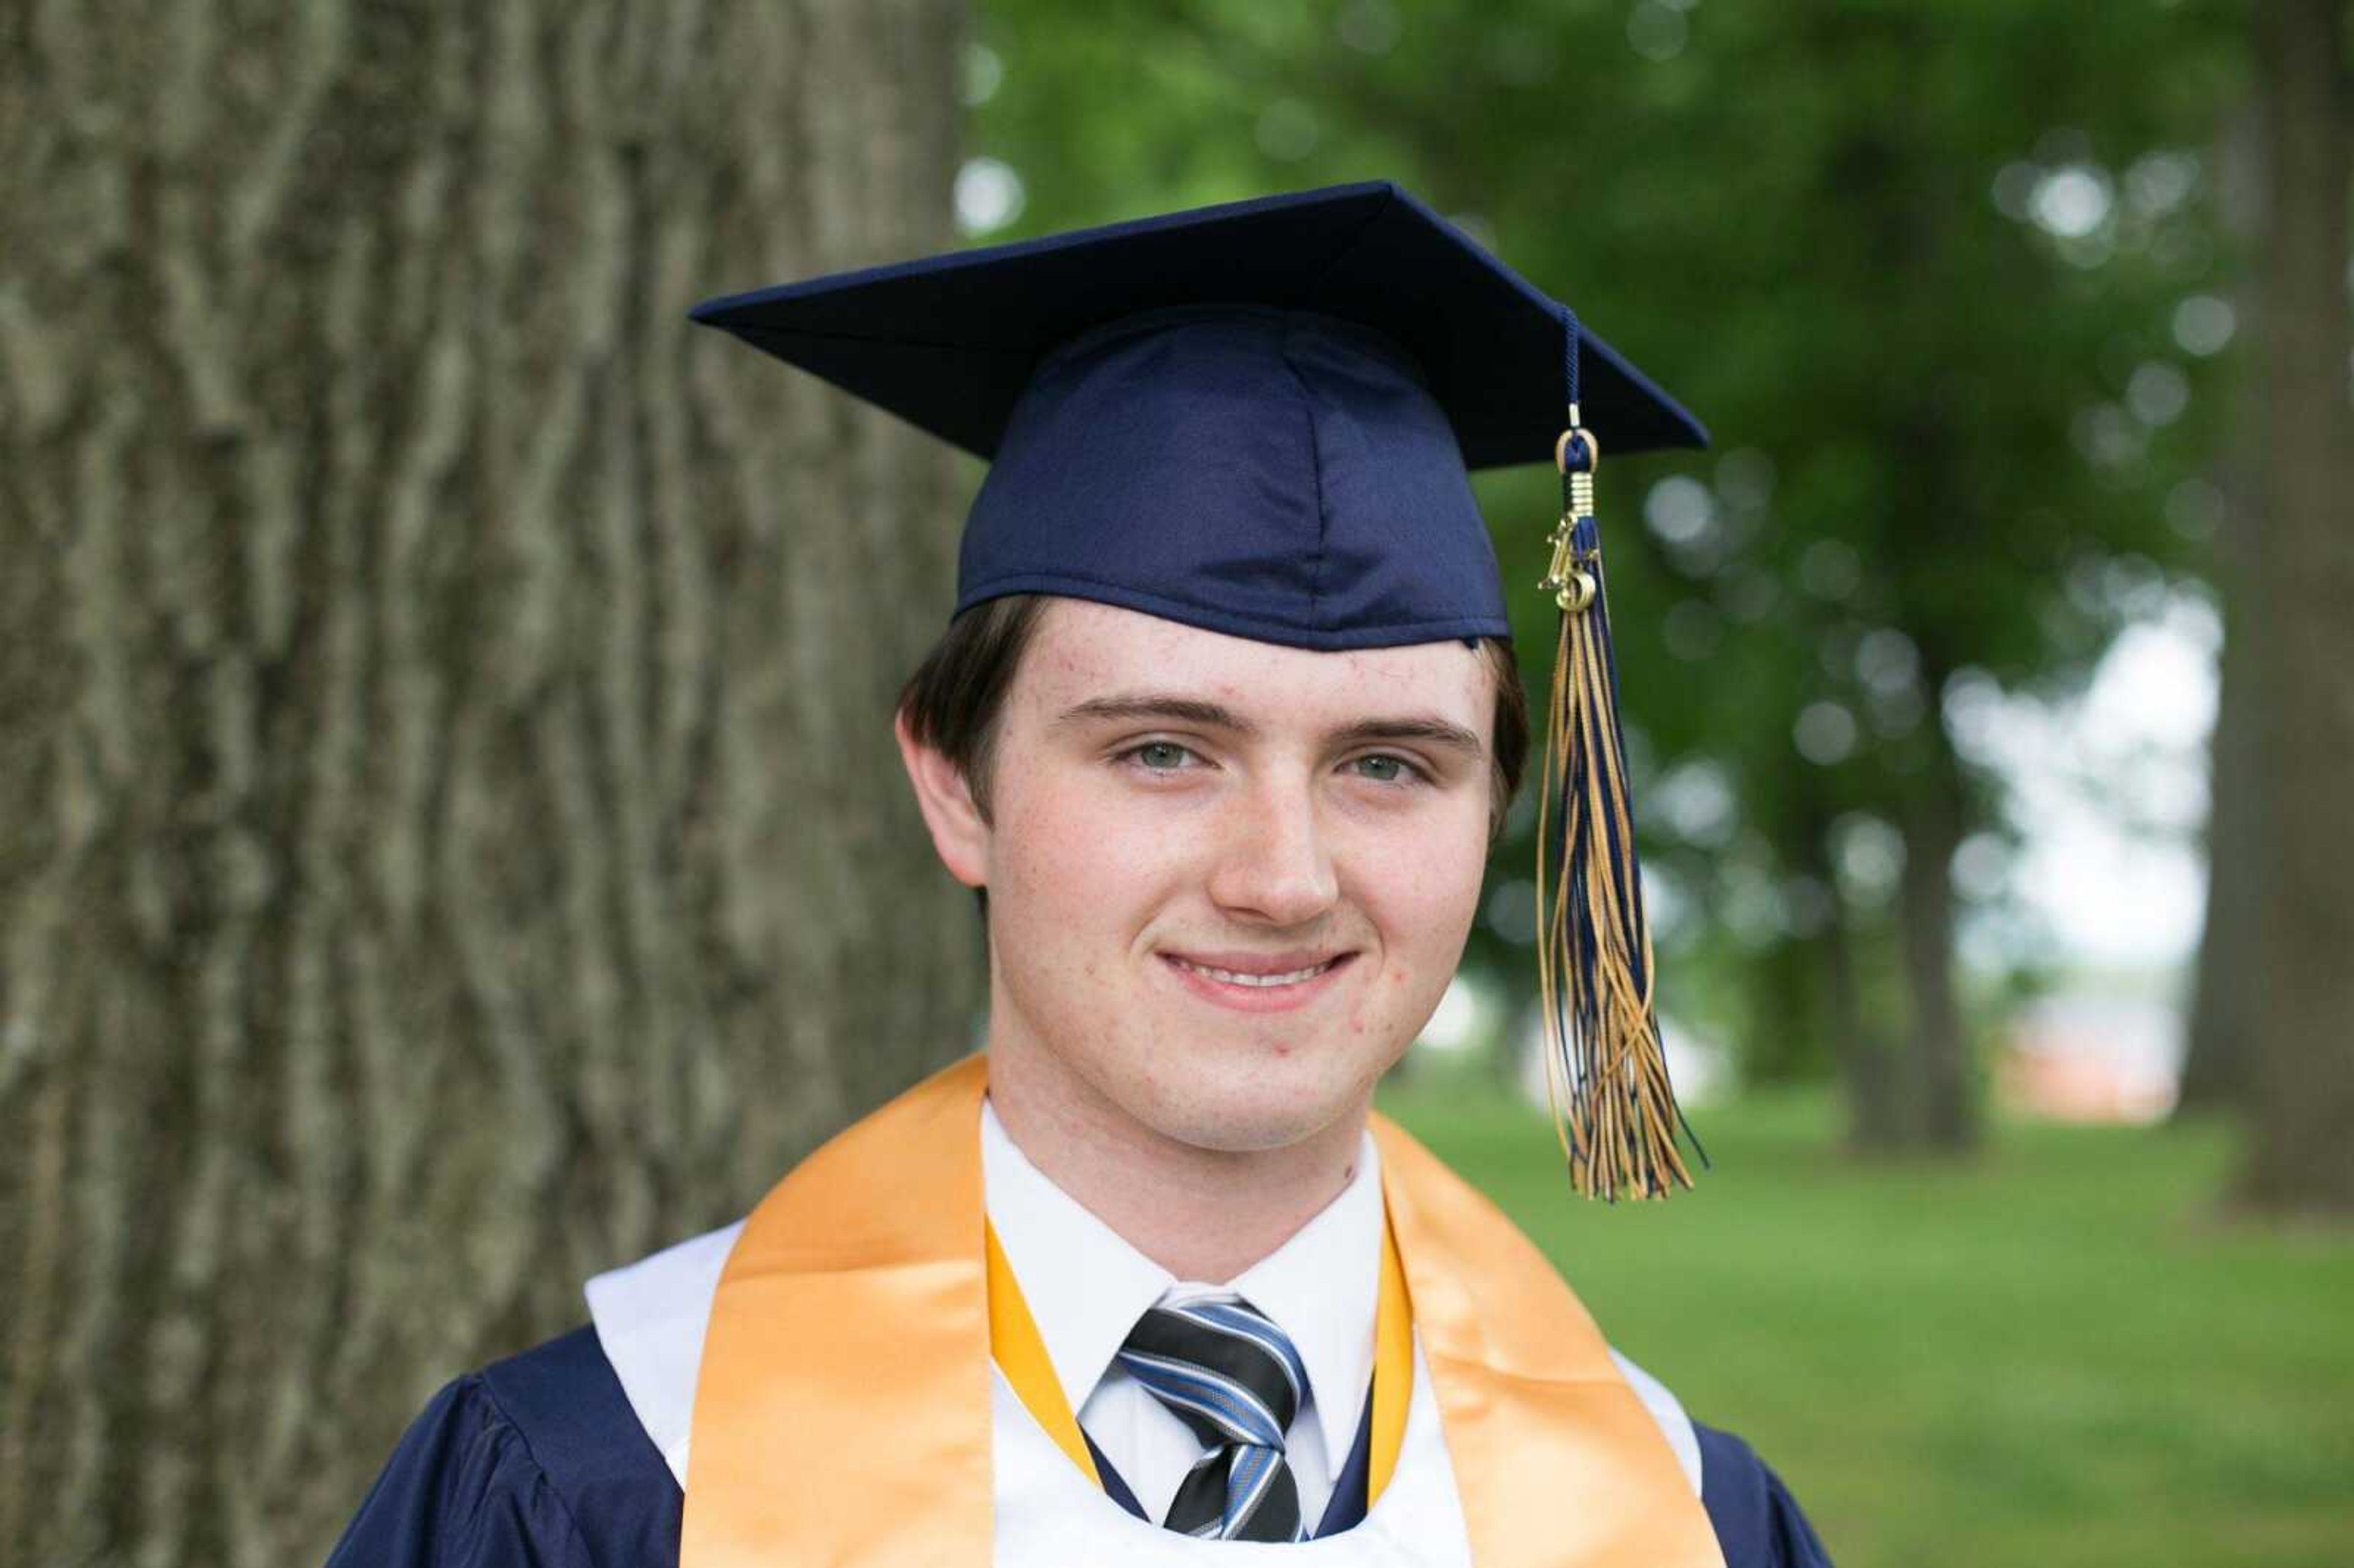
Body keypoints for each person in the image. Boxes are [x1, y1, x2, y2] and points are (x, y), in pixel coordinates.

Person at [327, 181, 1833, 1566]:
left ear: (1497, 806)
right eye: (1163, 750)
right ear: (953, 783)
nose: (1284, 876)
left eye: (1388, 764)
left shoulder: (1676, 1516)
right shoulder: (598, 1487)